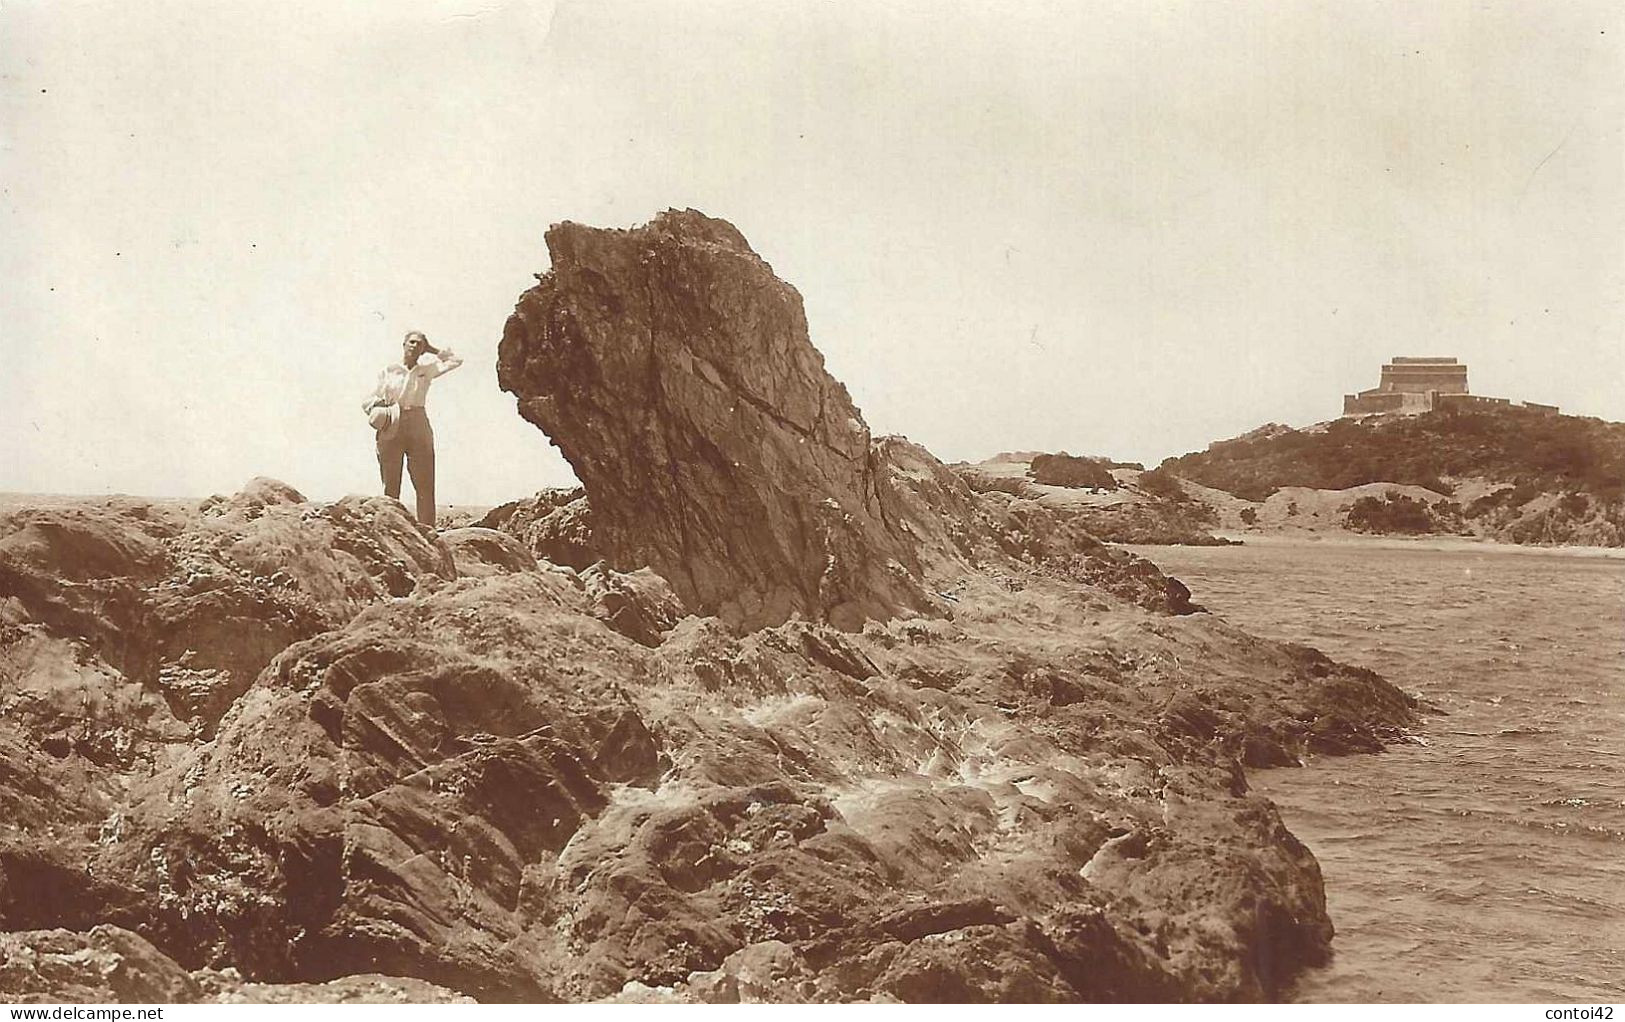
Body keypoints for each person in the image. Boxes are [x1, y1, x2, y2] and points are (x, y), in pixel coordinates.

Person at [363, 331, 463, 526]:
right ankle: (391, 527)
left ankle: (427, 528)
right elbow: (367, 400)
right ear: (404, 344)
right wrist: (380, 406)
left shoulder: (428, 369)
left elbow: (456, 360)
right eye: (412, 342)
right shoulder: (389, 371)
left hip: (418, 420)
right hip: (392, 420)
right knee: (391, 481)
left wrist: (433, 349)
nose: (415, 347)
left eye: (420, 345)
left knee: (424, 479)